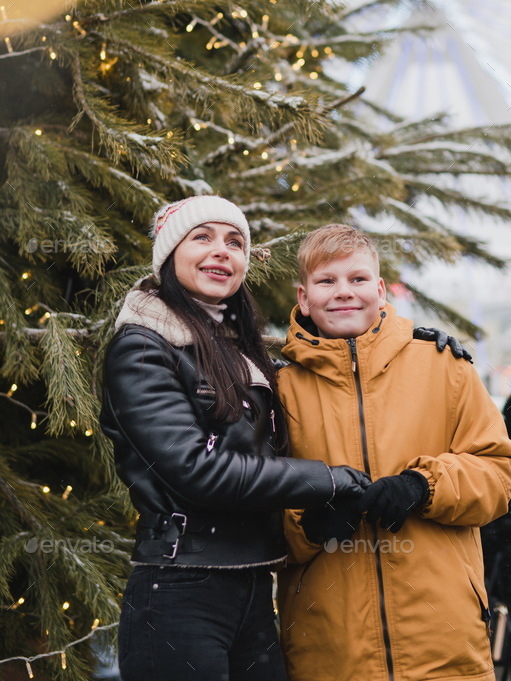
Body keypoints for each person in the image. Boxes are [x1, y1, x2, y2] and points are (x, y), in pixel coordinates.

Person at [100, 197, 370, 681]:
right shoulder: (141, 348)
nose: (221, 251)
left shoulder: (234, 347)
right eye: (202, 237)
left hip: (251, 586)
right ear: (168, 255)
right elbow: (199, 471)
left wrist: (399, 343)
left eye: (235, 241)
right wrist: (327, 481)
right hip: (179, 593)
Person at [276, 223, 511, 681]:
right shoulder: (279, 391)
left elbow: (499, 472)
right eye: (327, 281)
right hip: (329, 652)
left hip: (444, 644)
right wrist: (307, 524)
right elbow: (250, 500)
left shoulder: (444, 367)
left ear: (381, 290)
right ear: (304, 298)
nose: (344, 292)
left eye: (357, 279)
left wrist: (425, 485)